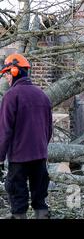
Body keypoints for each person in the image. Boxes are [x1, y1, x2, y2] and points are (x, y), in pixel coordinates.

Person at [0, 53, 53, 219]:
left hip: (18, 160)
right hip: (39, 157)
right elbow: (49, 129)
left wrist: (0, 158)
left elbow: (4, 131)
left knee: (18, 202)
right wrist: (41, 148)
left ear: (15, 71)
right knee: (40, 200)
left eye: (7, 74)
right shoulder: (42, 95)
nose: (6, 78)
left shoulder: (11, 96)